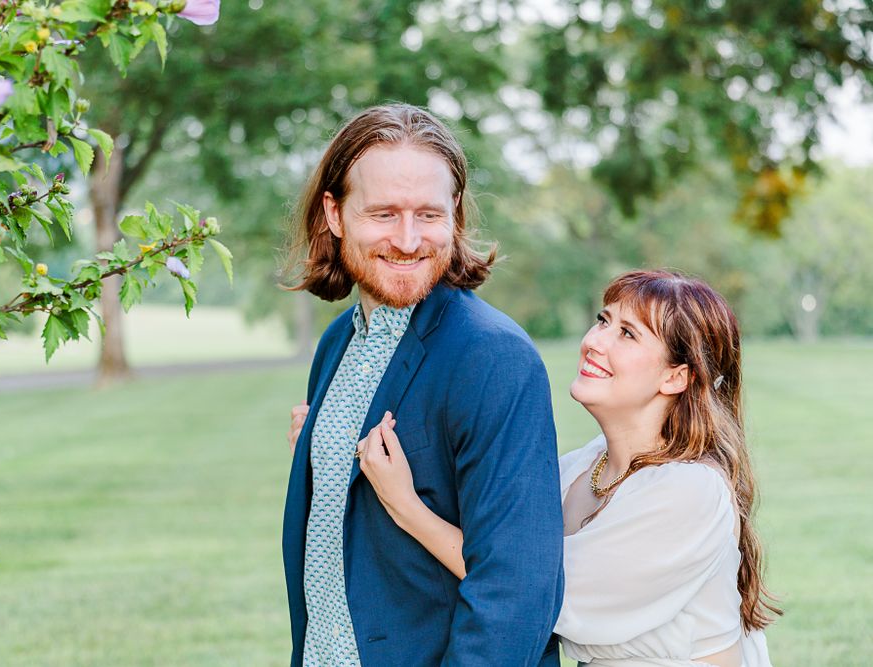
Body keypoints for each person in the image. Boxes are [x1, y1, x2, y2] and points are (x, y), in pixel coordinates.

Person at [337, 270, 781, 667]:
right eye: (604, 321)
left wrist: (406, 506)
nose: (595, 342)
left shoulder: (689, 490)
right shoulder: (586, 466)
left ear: (676, 377)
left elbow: (532, 589)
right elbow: (496, 535)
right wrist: (333, 442)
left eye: (627, 334)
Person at [281, 103, 564, 666]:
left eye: (428, 214)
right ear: (335, 214)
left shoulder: (493, 356)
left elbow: (517, 591)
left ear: (454, 212)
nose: (408, 240)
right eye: (384, 214)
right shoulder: (337, 342)